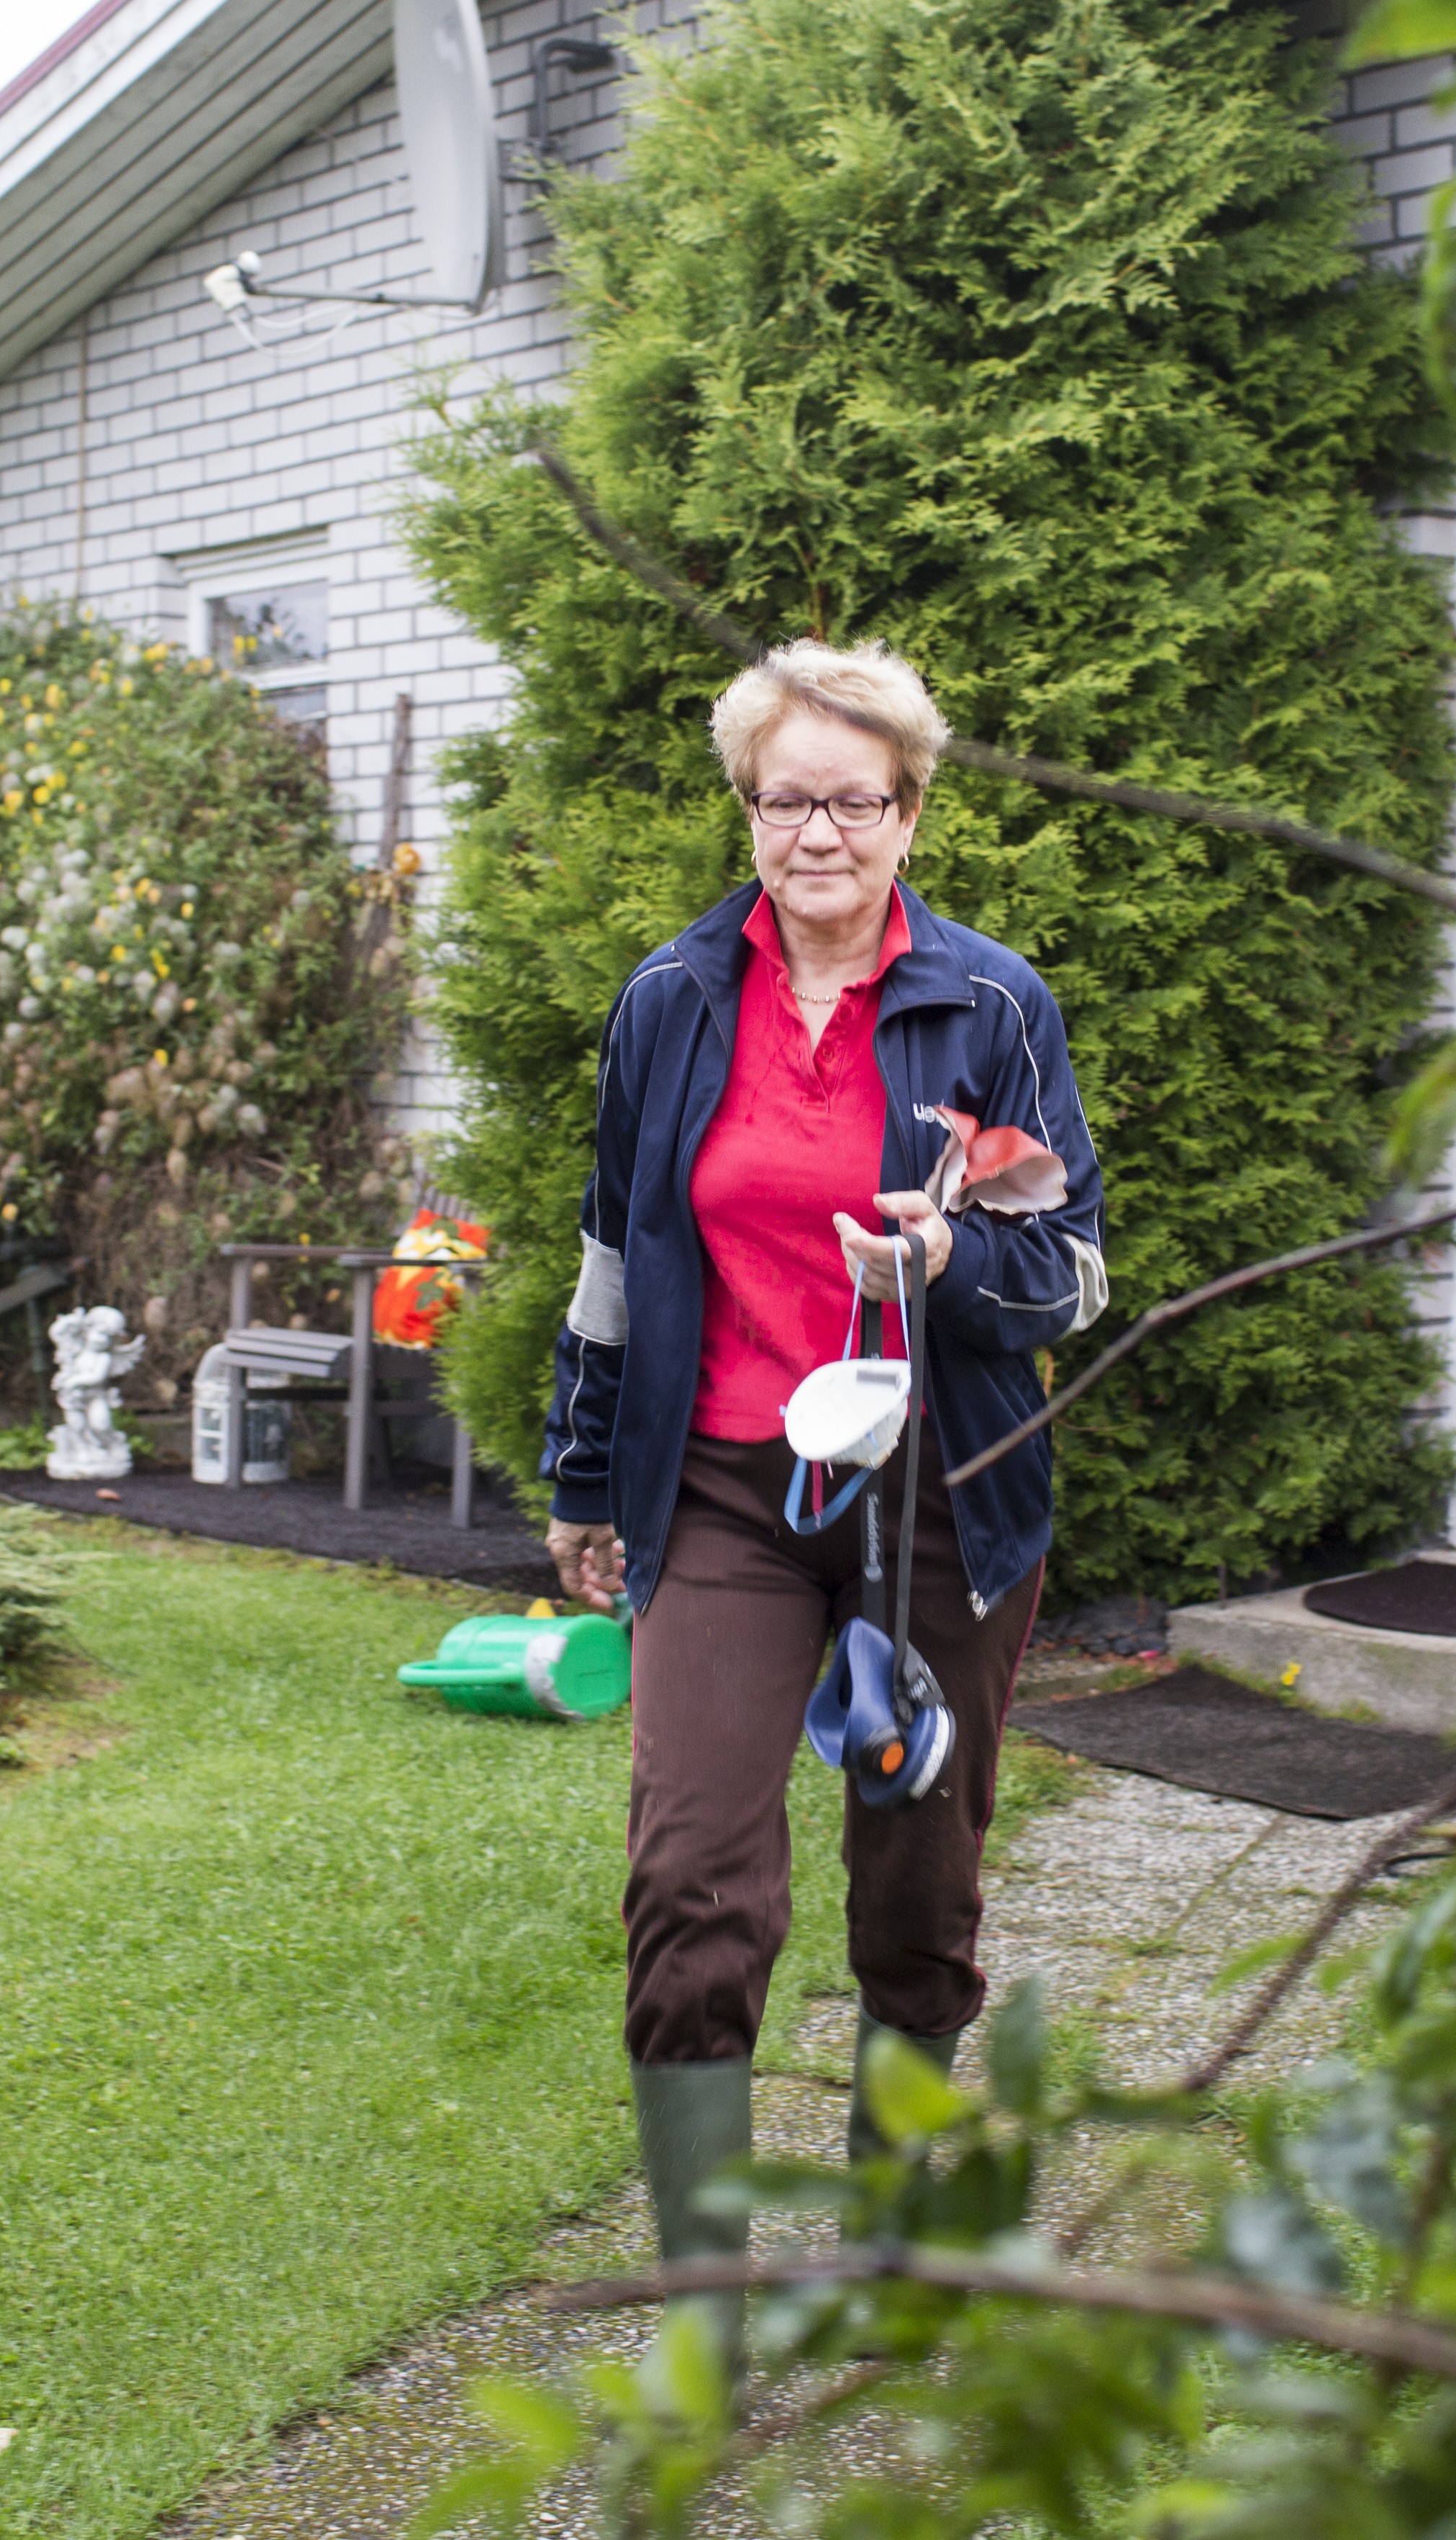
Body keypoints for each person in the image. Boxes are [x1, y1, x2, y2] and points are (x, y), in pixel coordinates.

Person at [540, 639, 1107, 2344]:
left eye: (856, 802)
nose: (820, 836)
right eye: (788, 800)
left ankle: (886, 2246)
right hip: (724, 1485)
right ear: (749, 810)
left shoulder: (991, 1008)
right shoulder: (672, 1001)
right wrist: (585, 1476)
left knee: (917, 1878)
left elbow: (1070, 1273)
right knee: (693, 1870)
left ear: (910, 814)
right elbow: (612, 1262)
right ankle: (709, 2286)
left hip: (938, 1492)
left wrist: (950, 1255)